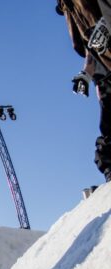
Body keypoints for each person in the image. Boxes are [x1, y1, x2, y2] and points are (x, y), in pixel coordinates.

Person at [58, 1, 111, 181]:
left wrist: (107, 24)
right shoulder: (68, 7)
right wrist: (86, 74)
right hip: (105, 67)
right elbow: (89, 46)